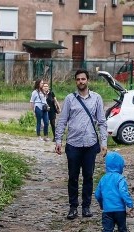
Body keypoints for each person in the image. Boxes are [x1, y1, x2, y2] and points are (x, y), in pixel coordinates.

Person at [55, 69, 108, 219]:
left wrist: (103, 142)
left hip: (90, 144)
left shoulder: (97, 98)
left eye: (83, 79)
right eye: (78, 79)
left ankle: (86, 207)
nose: (81, 82)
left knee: (88, 176)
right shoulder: (70, 99)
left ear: (88, 80)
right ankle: (73, 207)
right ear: (75, 81)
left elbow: (102, 122)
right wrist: (58, 140)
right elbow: (62, 121)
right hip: (73, 144)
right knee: (73, 177)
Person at [93, 151, 134, 232]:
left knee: (107, 230)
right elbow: (123, 192)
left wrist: (101, 204)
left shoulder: (103, 179)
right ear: (120, 165)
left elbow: (97, 194)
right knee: (122, 230)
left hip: (107, 211)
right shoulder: (120, 178)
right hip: (120, 211)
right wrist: (129, 204)